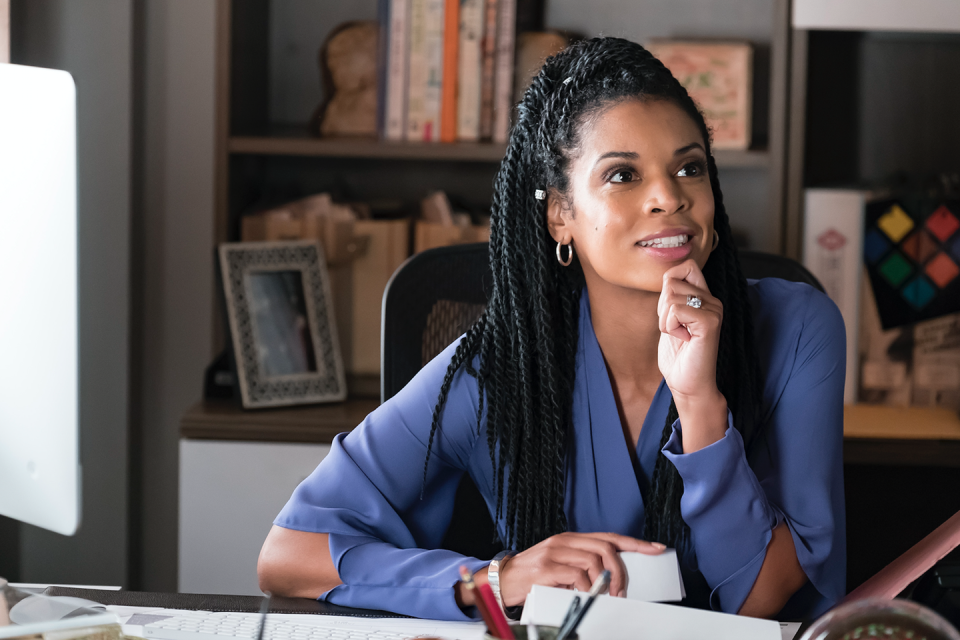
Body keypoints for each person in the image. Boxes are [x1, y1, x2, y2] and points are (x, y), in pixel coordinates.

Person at [257, 37, 846, 622]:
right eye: (623, 176)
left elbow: (763, 599)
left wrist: (699, 405)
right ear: (560, 215)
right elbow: (289, 555)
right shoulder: (503, 366)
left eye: (688, 168)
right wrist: (493, 579)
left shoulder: (798, 330)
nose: (670, 197)